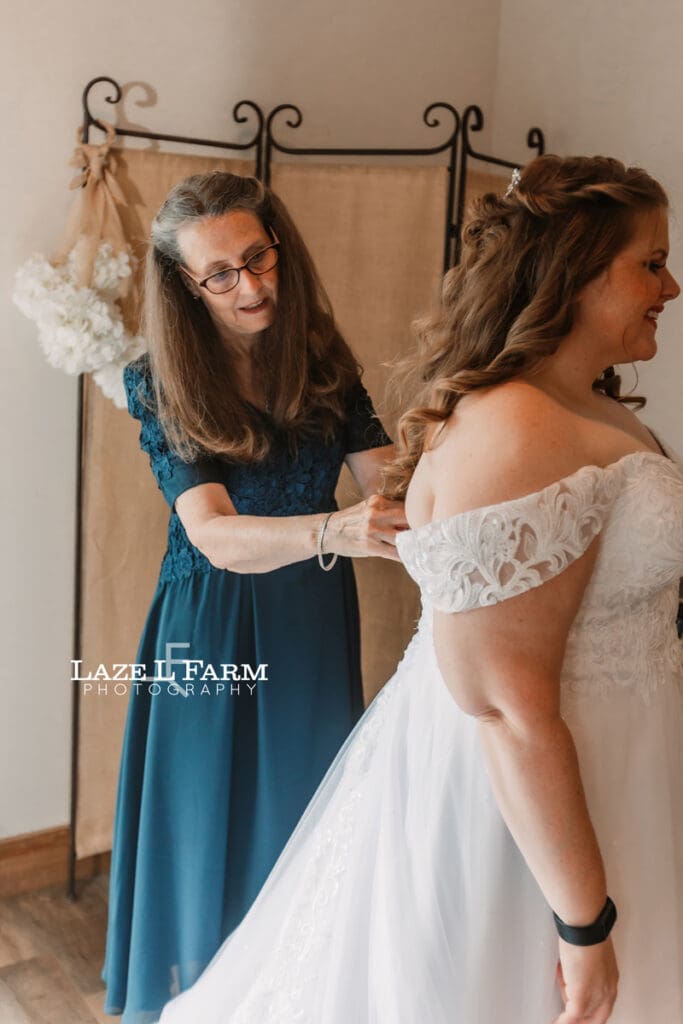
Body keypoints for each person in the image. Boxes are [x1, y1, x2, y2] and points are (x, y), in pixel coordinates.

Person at [156, 154, 683, 1024]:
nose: (669, 284)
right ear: (575, 275)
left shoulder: (583, 404)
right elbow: (508, 709)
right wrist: (583, 926)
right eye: (650, 261)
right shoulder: (516, 428)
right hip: (526, 807)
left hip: (620, 759)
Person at [102, 171, 407, 1024]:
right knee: (206, 821)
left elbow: (390, 481)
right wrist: (333, 532)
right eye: (222, 274)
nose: (251, 285)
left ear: (280, 244)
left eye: (258, 257)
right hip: (212, 621)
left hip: (309, 620)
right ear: (185, 288)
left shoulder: (322, 360)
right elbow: (213, 534)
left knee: (303, 816)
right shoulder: (161, 380)